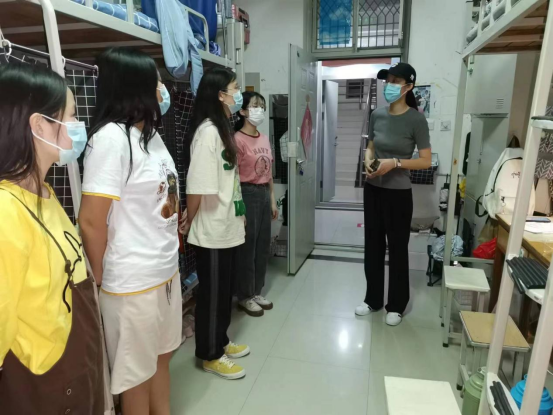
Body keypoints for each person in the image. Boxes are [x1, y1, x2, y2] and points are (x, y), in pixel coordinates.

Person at [79, 47, 180, 415]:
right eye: (155, 81)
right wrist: (102, 277)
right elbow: (91, 221)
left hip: (164, 272)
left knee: (162, 357)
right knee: (135, 376)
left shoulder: (149, 135)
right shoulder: (110, 139)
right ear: (134, 86)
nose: (161, 89)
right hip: (132, 282)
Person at [0, 63, 104, 413]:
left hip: (76, 374)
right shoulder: (5, 211)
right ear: (39, 125)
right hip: (44, 388)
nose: (77, 125)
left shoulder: (45, 193)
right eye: (71, 116)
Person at [180, 67, 250, 379]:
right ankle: (210, 354)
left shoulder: (222, 128)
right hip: (211, 230)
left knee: (225, 292)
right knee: (211, 295)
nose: (238, 94)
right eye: (235, 88)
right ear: (221, 95)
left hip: (227, 226)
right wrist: (189, 221)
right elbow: (197, 186)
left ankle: (220, 340)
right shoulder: (208, 132)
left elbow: (227, 182)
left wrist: (240, 214)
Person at [355, 63, 432, 327]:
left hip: (398, 194)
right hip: (373, 190)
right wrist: (368, 160)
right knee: (372, 245)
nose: (389, 85)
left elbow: (425, 161)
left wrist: (395, 163)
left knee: (398, 249)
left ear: (408, 86)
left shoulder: (416, 120)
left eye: (395, 81)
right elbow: (371, 146)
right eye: (388, 80)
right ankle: (372, 299)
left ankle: (396, 305)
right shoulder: (377, 114)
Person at [233, 91, 278, 317]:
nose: (259, 109)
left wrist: (272, 200)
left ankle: (257, 291)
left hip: (263, 193)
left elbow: (268, 172)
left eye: (262, 105)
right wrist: (239, 207)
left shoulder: (264, 138)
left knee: (262, 246)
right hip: (246, 193)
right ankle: (245, 295)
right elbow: (232, 177)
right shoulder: (237, 139)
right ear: (242, 111)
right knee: (247, 248)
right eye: (254, 106)